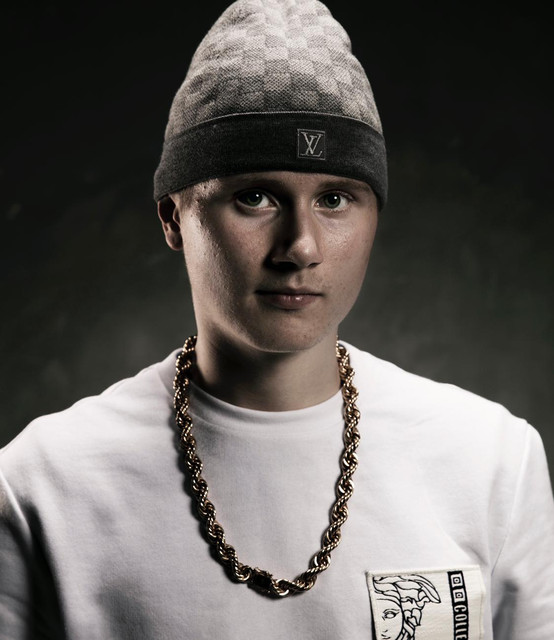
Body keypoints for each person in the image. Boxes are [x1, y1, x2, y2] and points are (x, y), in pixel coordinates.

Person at [1, 0, 553, 638]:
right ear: (174, 218)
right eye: (255, 197)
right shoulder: (43, 484)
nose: (301, 247)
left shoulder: (492, 461)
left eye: (335, 199)